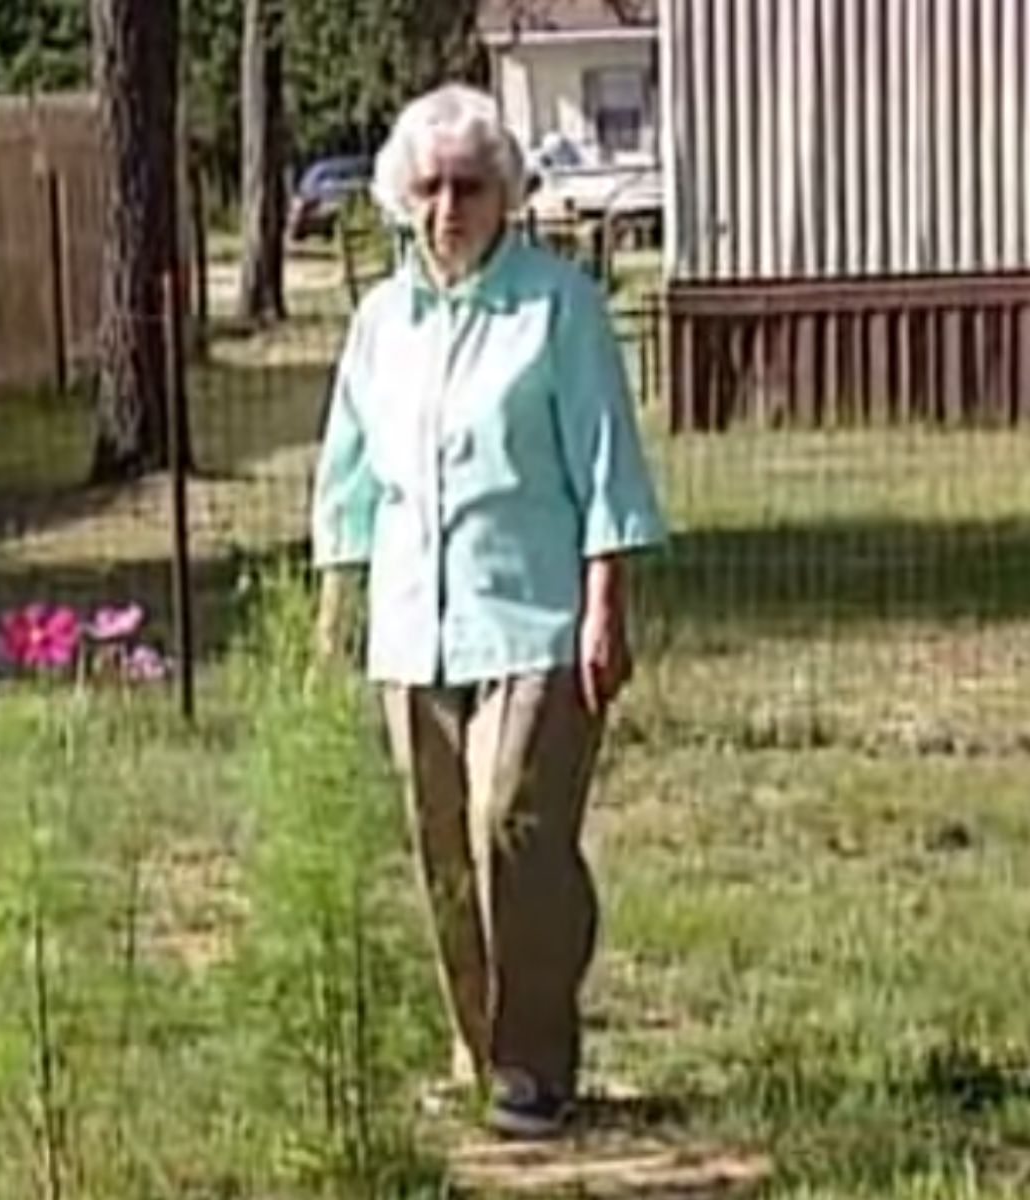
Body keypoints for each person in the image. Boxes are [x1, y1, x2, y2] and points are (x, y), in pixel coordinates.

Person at [310, 83, 666, 1140]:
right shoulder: (382, 322)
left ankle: (534, 1065)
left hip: (537, 618)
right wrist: (337, 608)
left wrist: (608, 602)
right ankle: (477, 1047)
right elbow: (349, 477)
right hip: (414, 629)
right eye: (429, 187)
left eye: (469, 186)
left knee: (510, 828)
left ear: (505, 193)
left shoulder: (559, 306)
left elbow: (609, 466)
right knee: (442, 853)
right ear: (400, 197)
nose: (448, 207)